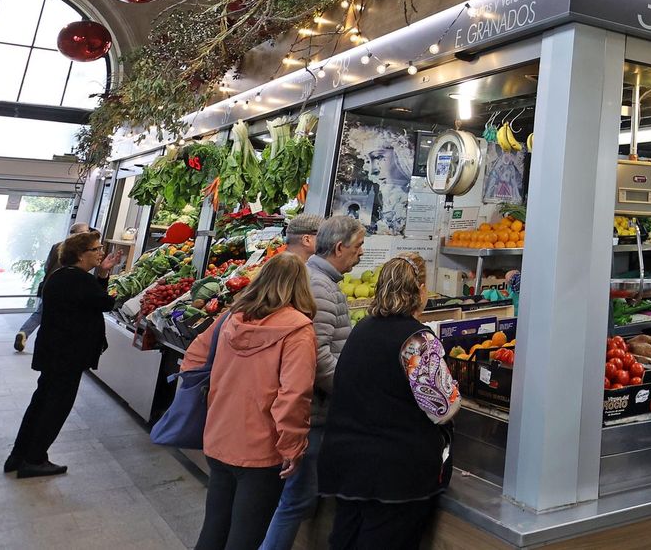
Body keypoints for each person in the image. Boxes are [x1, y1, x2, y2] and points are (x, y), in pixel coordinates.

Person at [319, 256, 460, 549]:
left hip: (346, 462)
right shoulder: (418, 340)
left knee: (345, 540)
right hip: (395, 473)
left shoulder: (362, 329)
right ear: (420, 290)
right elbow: (443, 408)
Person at [182, 254, 317, 550]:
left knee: (214, 529)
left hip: (219, 437)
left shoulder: (232, 317)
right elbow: (293, 395)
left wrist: (215, 394)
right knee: (246, 536)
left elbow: (192, 358)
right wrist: (292, 447)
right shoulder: (298, 329)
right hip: (261, 449)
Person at [259, 214, 363, 550]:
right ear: (338, 247)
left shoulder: (319, 279)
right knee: (296, 501)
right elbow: (315, 357)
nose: (360, 253)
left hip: (314, 410)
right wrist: (346, 389)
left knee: (295, 499)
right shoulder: (320, 285)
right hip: (315, 411)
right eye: (358, 246)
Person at [4, 231, 122, 477]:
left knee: (40, 403)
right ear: (80, 255)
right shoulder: (78, 280)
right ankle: (35, 460)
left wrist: (100, 274)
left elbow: (91, 301)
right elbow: (104, 303)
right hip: (68, 355)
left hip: (55, 354)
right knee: (55, 407)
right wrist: (108, 283)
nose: (101, 253)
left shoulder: (61, 276)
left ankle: (18, 455)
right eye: (96, 249)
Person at [14, 222, 95, 353]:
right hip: (66, 288)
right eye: (87, 231)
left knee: (41, 312)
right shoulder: (80, 251)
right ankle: (45, 344)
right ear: (80, 233)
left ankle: (24, 332)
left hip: (49, 284)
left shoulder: (57, 246)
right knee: (53, 317)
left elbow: (47, 267)